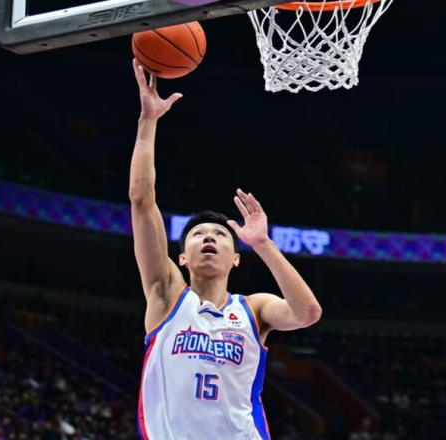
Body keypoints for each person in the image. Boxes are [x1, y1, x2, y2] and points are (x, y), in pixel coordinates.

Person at [129, 58, 323, 440]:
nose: (208, 238)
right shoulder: (166, 295)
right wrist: (147, 121)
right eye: (198, 234)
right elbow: (141, 200)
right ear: (181, 257)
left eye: (220, 234)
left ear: (235, 258)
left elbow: (308, 313)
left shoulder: (254, 308)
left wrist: (263, 244)